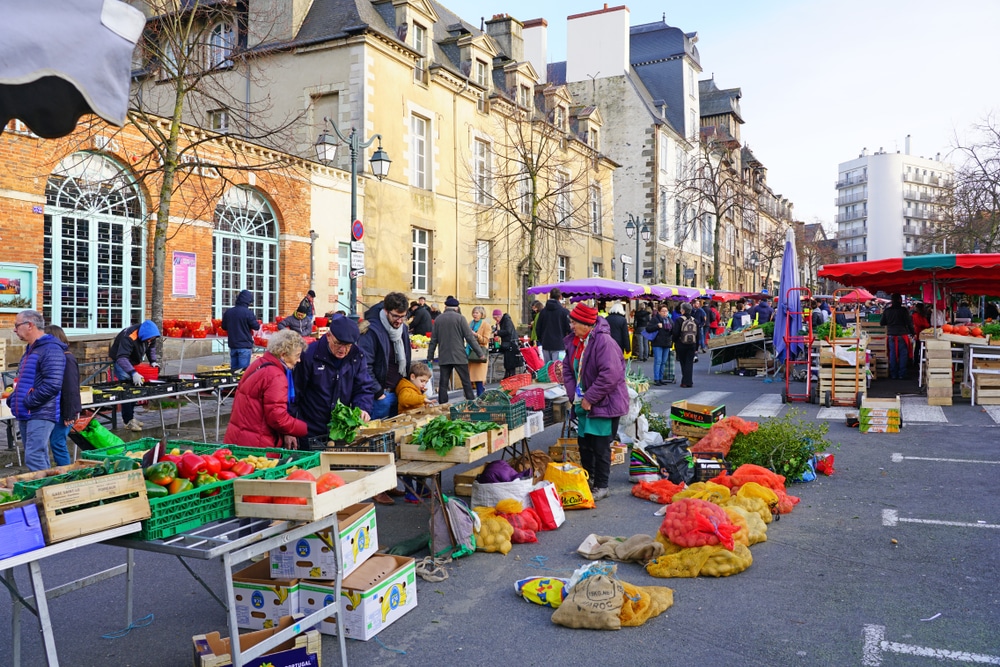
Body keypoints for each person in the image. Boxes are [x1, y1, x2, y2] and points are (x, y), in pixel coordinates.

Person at [561, 303, 629, 501]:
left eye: (574, 322)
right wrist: (575, 395)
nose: (571, 326)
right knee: (585, 444)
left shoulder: (603, 342)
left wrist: (590, 397)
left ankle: (601, 485)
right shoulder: (576, 341)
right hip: (583, 404)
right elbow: (568, 369)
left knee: (600, 446)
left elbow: (611, 374)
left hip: (604, 402)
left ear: (586, 324)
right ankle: (588, 480)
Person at [292, 316, 375, 440]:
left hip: (340, 428)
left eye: (347, 345)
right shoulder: (309, 355)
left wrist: (362, 408)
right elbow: (295, 392)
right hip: (310, 427)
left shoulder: (358, 355)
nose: (342, 350)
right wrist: (292, 428)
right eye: (338, 344)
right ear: (328, 336)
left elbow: (363, 387)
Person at [224, 329, 308, 449]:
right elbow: (278, 418)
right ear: (283, 354)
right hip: (257, 444)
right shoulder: (276, 376)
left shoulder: (259, 363)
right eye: (297, 355)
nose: (299, 360)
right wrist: (304, 428)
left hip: (240, 436)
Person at [8, 311, 66, 471]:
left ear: (30, 325)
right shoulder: (32, 349)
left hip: (41, 412)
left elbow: (53, 384)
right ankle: (45, 492)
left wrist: (28, 401)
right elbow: (26, 380)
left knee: (34, 457)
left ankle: (43, 493)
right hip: (28, 413)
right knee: (36, 456)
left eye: (17, 325)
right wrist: (14, 398)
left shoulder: (50, 349)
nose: (14, 330)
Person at [358, 292, 411, 420]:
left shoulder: (402, 328)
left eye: (403, 317)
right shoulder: (371, 330)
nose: (399, 321)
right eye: (396, 316)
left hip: (397, 391)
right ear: (386, 311)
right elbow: (365, 365)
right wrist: (378, 393)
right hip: (380, 397)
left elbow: (407, 358)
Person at [427, 297, 485, 404]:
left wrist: (430, 357)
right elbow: (469, 337)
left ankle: (443, 405)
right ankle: (471, 403)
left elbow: (433, 340)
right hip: (459, 355)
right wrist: (480, 353)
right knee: (466, 381)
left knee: (443, 383)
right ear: (457, 308)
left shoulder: (438, 319)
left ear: (445, 307)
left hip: (444, 355)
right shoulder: (460, 318)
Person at [110, 318, 160, 432]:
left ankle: (131, 417)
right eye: (149, 339)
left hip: (133, 361)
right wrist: (133, 373)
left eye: (152, 339)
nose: (150, 341)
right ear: (144, 335)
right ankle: (128, 421)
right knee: (127, 389)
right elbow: (122, 357)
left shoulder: (151, 336)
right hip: (121, 360)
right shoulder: (129, 337)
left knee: (135, 389)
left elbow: (151, 348)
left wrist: (153, 361)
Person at [44, 325, 80, 467]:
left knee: (57, 442)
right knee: (56, 441)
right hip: (58, 407)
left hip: (65, 408)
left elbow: (70, 387)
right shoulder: (59, 357)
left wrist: (69, 414)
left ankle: (66, 473)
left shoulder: (67, 359)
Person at [221, 289, 261, 370]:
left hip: (233, 345)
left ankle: (234, 382)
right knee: (242, 372)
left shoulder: (229, 312)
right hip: (244, 345)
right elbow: (256, 326)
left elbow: (223, 327)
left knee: (234, 372)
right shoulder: (248, 313)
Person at [880, 293, 914, 379]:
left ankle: (893, 373)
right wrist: (913, 332)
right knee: (903, 355)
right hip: (902, 334)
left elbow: (882, 322)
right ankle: (902, 374)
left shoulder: (887, 311)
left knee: (892, 355)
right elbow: (909, 323)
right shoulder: (904, 310)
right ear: (900, 300)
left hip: (891, 334)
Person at [534, 288, 571, 363]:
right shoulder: (564, 312)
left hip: (546, 344)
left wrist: (542, 340)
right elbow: (569, 329)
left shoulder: (543, 312)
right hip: (559, 345)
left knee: (548, 370)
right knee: (558, 371)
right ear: (560, 297)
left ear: (550, 296)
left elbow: (538, 328)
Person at [646, 304, 674, 385]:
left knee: (663, 362)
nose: (665, 313)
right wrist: (656, 326)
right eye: (663, 311)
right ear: (659, 312)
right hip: (657, 343)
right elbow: (648, 329)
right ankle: (656, 379)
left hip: (667, 343)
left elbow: (673, 329)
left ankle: (661, 378)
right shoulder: (655, 319)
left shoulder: (669, 320)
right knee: (658, 361)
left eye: (666, 311)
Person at [673, 302, 699, 388]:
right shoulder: (694, 320)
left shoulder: (679, 320)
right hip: (692, 344)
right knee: (689, 363)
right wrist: (696, 346)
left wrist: (674, 341)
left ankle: (685, 381)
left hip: (681, 343)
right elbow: (697, 335)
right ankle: (688, 381)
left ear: (683, 310)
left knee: (683, 362)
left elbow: (675, 333)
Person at [467, 305, 492, 396]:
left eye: (476, 313)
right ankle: (470, 397)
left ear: (482, 314)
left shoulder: (486, 325)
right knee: (470, 377)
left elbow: (485, 340)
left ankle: (480, 395)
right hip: (470, 352)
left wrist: (476, 335)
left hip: (479, 353)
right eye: (473, 312)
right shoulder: (470, 323)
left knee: (478, 377)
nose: (474, 314)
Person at [492, 307, 520, 377]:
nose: (496, 320)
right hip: (506, 343)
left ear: (499, 316)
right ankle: (508, 375)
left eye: (496, 318)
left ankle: (511, 375)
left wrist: (498, 332)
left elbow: (508, 331)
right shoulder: (500, 322)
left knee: (510, 361)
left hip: (511, 343)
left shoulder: (507, 320)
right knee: (507, 361)